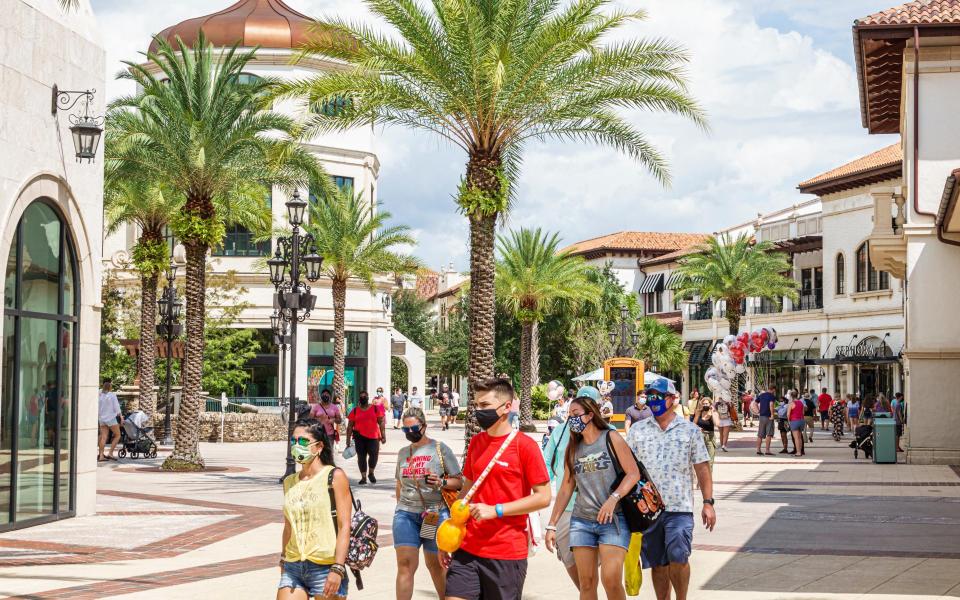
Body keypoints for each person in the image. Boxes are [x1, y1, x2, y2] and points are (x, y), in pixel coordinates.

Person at [441, 377, 551, 600]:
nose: (478, 411)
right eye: (476, 405)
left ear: (507, 407)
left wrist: (496, 510)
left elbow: (543, 497)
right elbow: (468, 489)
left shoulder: (525, 446)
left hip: (506, 552)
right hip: (468, 548)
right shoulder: (477, 442)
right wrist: (449, 532)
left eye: (484, 406)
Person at [626, 378, 715, 600]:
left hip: (679, 508)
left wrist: (708, 503)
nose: (652, 400)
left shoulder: (690, 431)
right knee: (658, 563)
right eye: (650, 395)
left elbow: (703, 469)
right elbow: (627, 469)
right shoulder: (637, 431)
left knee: (678, 557)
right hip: (649, 510)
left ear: (672, 399)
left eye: (658, 396)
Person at [545, 390, 640, 600]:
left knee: (611, 579)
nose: (571, 418)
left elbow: (633, 473)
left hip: (614, 519)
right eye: (569, 414)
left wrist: (613, 498)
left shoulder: (611, 437)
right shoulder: (573, 447)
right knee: (586, 582)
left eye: (575, 413)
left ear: (589, 415)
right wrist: (552, 524)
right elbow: (566, 488)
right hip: (582, 521)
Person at [394, 407, 463, 600]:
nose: (410, 433)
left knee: (435, 565)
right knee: (405, 565)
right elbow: (399, 484)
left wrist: (441, 482)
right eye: (405, 430)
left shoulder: (440, 449)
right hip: (406, 515)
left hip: (434, 514)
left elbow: (459, 482)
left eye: (414, 428)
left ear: (423, 426)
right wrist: (400, 508)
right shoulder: (402, 453)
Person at [278, 419, 352, 600]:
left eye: (303, 441)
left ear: (318, 447)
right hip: (294, 565)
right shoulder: (289, 482)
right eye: (293, 441)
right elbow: (288, 526)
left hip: (326, 566)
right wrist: (283, 558)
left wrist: (338, 567)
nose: (297, 446)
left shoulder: (334, 476)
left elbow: (344, 526)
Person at [346, 391, 386, 485]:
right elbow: (350, 426)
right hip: (359, 437)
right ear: (359, 398)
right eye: (361, 396)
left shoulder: (375, 409)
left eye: (365, 396)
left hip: (373, 437)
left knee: (374, 455)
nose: (363, 398)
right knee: (361, 457)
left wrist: (383, 436)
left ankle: (371, 473)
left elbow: (381, 422)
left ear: (368, 398)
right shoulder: (355, 410)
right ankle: (363, 477)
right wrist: (348, 440)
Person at [98, 378, 123, 462]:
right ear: (110, 385)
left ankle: (101, 455)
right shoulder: (112, 395)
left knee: (103, 437)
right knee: (117, 435)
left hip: (101, 418)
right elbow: (117, 407)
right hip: (111, 418)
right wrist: (121, 417)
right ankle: (110, 453)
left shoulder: (99, 393)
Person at [693, 397, 719, 473]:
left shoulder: (714, 413)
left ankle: (708, 480)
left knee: (710, 461)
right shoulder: (699, 412)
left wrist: (713, 411)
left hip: (709, 438)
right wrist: (698, 428)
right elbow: (693, 424)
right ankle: (699, 480)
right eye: (703, 404)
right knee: (700, 460)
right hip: (700, 437)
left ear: (710, 404)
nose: (705, 405)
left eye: (707, 404)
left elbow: (717, 424)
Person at [754, 386, 776, 456]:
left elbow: (755, 403)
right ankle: (767, 450)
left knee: (760, 434)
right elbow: (771, 405)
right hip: (769, 416)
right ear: (773, 390)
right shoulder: (771, 396)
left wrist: (758, 411)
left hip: (762, 416)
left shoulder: (762, 395)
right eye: (774, 391)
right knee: (769, 434)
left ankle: (758, 449)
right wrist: (772, 414)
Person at [787, 391, 806, 457]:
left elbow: (788, 414)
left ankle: (798, 452)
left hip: (794, 421)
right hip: (801, 420)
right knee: (800, 437)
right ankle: (800, 451)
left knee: (796, 438)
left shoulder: (791, 404)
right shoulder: (801, 403)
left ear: (791, 396)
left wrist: (789, 421)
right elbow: (803, 413)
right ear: (797, 395)